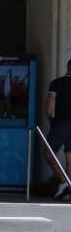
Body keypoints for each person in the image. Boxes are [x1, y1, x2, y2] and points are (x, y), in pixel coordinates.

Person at [45, 59, 71, 199]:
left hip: (61, 122)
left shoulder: (56, 83)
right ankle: (68, 187)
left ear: (67, 68)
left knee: (49, 154)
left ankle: (64, 183)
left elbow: (49, 108)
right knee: (70, 157)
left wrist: (51, 120)